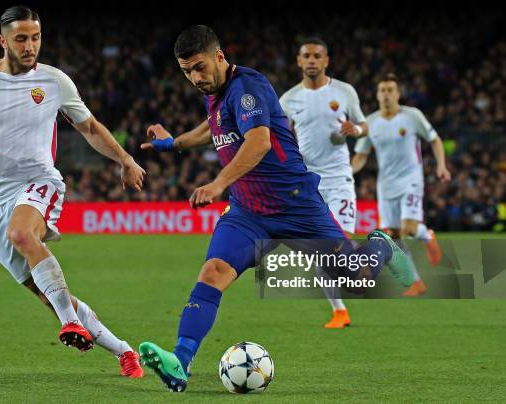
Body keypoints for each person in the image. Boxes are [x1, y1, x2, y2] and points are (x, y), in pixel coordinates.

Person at [137, 25, 415, 392]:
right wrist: (174, 143)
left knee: (358, 279)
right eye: (187, 71)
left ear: (219, 57)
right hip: (248, 213)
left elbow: (259, 142)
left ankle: (380, 244)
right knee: (212, 273)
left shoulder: (247, 87)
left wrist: (218, 183)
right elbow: (213, 126)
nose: (195, 78)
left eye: (200, 67)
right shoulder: (217, 93)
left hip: (296, 207)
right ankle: (180, 362)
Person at [0, 6, 145, 377]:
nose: (30, 46)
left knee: (22, 233)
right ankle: (124, 350)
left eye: (35, 37)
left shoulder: (55, 82)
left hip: (39, 181)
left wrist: (125, 160)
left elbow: (90, 128)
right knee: (48, 295)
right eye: (21, 38)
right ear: (2, 41)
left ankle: (70, 323)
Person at [280, 37, 367, 328]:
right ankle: (339, 312)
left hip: (339, 178)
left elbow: (364, 125)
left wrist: (354, 128)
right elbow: (280, 138)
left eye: (318, 55)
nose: (312, 60)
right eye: (307, 56)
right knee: (321, 252)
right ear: (299, 61)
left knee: (340, 248)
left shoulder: (344, 91)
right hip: (308, 184)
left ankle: (382, 250)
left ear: (326, 60)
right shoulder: (288, 99)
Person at [352, 73, 451, 296]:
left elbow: (434, 139)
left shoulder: (412, 116)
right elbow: (361, 155)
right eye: (382, 90)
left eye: (390, 90)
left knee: (408, 228)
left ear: (398, 94)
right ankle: (416, 282)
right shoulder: (371, 123)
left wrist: (441, 166)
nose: (386, 94)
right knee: (394, 236)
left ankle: (427, 235)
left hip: (411, 180)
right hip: (386, 186)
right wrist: (347, 172)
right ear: (377, 95)